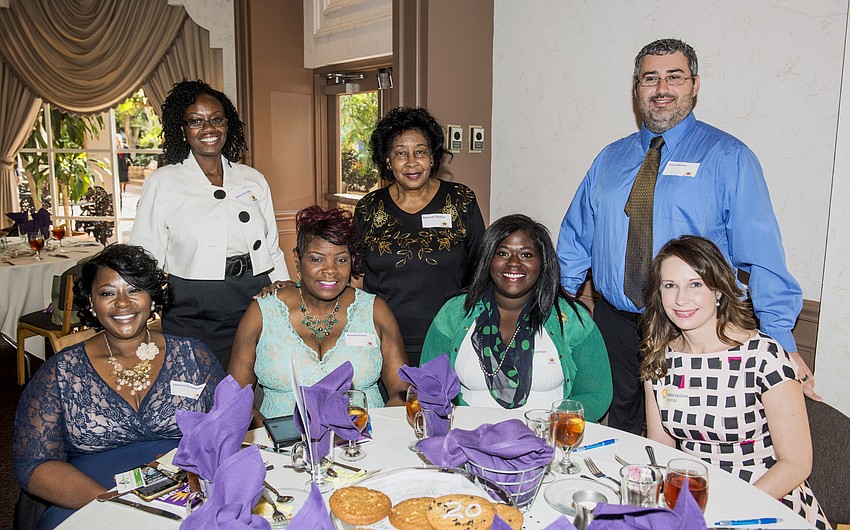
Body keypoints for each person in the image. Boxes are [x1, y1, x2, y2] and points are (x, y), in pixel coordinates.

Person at [556, 38, 815, 435]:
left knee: (688, 437)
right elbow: (576, 237)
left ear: (694, 85)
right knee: (616, 430)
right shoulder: (609, 159)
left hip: (692, 324)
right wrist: (556, 302)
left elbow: (762, 254)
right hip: (615, 325)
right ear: (637, 89)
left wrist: (780, 338)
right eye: (650, 78)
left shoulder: (729, 157)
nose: (661, 89)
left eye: (674, 77)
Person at [13, 244, 223, 529]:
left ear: (153, 298)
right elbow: (34, 465)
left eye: (134, 290)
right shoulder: (60, 372)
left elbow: (226, 428)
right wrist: (112, 501)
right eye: (107, 293)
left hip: (184, 491)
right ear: (90, 301)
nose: (122, 303)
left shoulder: (193, 356)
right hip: (91, 499)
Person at [642, 236, 830, 529]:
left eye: (695, 284)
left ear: (718, 291)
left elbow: (796, 464)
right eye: (670, 286)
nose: (681, 299)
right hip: (696, 501)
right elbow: (661, 447)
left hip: (767, 500)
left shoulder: (763, 356)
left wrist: (730, 509)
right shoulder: (660, 357)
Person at [131, 80, 289, 370]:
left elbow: (271, 245)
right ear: (182, 128)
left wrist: (285, 287)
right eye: (196, 121)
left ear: (228, 125)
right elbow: (145, 254)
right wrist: (141, 310)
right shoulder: (163, 182)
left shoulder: (252, 178)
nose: (208, 129)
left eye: (217, 119)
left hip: (254, 295)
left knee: (251, 388)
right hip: (194, 304)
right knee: (197, 385)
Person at [228, 206, 409, 424]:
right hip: (283, 449)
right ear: (297, 259)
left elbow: (401, 389)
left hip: (361, 444)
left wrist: (386, 432)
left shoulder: (375, 310)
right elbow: (234, 397)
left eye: (341, 260)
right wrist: (267, 435)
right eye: (317, 259)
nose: (330, 270)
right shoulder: (261, 312)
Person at [421, 214, 612, 420]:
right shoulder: (455, 312)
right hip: (468, 435)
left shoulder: (571, 319)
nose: (513, 263)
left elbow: (597, 394)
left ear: (543, 263)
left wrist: (552, 426)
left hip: (546, 439)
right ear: (488, 259)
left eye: (526, 255)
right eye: (502, 253)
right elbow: (430, 383)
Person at [354, 107, 485, 367]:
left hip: (450, 336)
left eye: (421, 152)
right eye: (401, 153)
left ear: (433, 157)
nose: (412, 162)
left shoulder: (461, 200)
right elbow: (356, 278)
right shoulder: (368, 208)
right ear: (388, 161)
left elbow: (481, 267)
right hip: (383, 339)